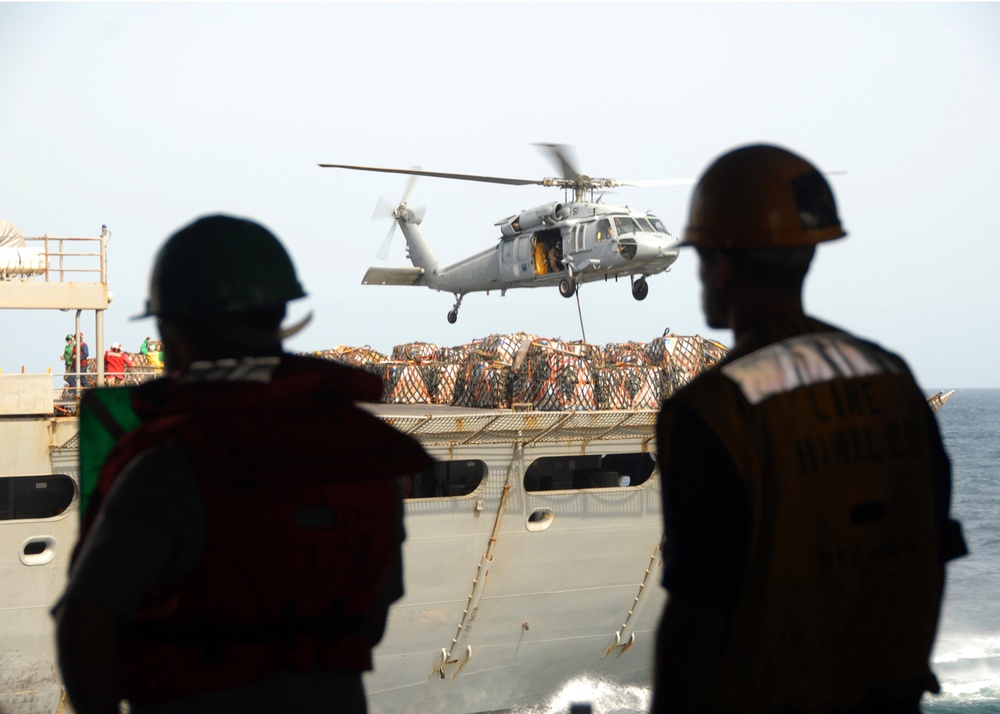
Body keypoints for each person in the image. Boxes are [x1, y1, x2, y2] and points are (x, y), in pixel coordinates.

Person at [54, 214, 433, 714]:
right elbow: (374, 617)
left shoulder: (168, 466)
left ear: (174, 332)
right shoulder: (364, 455)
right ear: (279, 317)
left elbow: (84, 628)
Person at [652, 145, 967, 714]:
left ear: (722, 266)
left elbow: (697, 618)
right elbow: (933, 548)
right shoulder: (894, 380)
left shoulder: (712, 412)